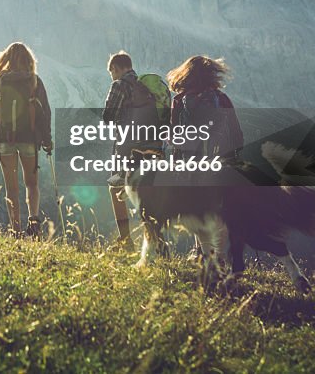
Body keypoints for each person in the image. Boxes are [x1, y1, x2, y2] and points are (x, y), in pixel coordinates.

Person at [166, 54, 244, 259]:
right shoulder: (222, 99)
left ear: (185, 74)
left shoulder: (179, 100)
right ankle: (219, 254)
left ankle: (201, 251)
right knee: (220, 210)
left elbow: (174, 136)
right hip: (217, 163)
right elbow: (236, 134)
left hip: (188, 165)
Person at [0, 42, 53, 237]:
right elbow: (44, 114)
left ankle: (16, 230)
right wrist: (46, 140)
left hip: (5, 141)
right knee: (32, 184)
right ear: (28, 60)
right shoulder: (34, 81)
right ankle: (34, 221)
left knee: (11, 188)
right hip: (29, 140)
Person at [102, 51, 162, 251]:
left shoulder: (119, 85)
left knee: (115, 188)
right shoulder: (146, 86)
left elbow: (108, 116)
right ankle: (157, 243)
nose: (112, 76)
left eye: (112, 72)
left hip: (127, 148)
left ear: (116, 68)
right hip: (152, 147)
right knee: (147, 193)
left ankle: (126, 240)